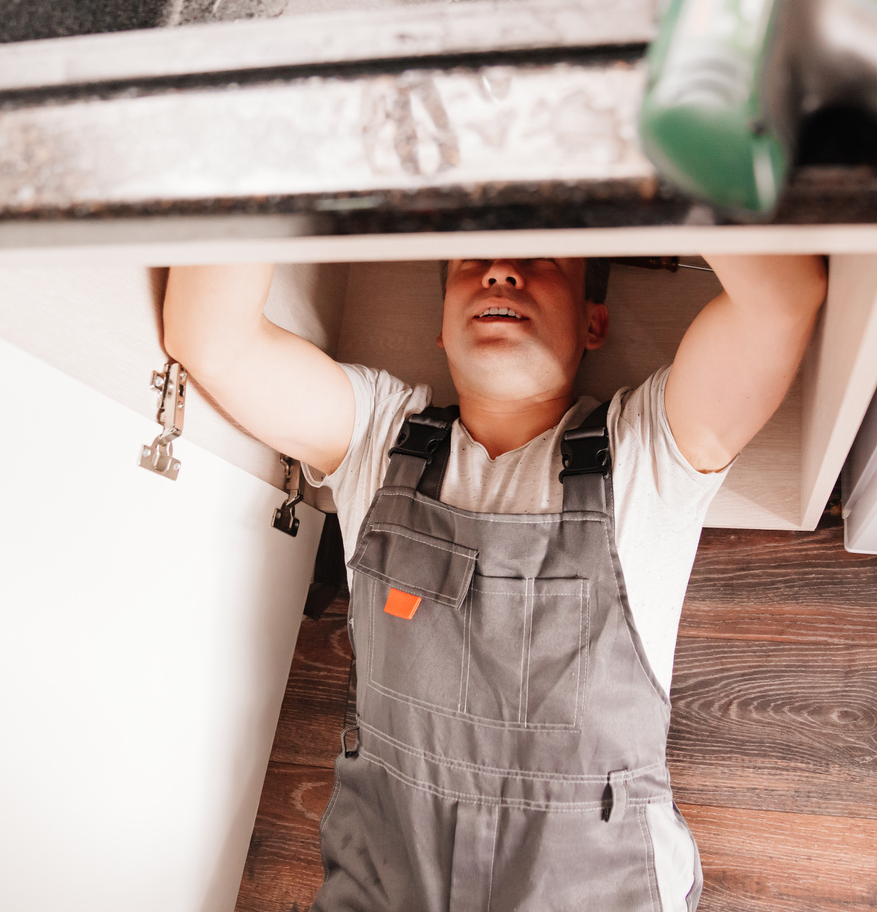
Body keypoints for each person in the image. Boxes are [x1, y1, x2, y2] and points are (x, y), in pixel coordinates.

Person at [163, 255, 826, 911]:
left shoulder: (646, 453)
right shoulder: (376, 434)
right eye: (469, 261)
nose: (500, 271)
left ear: (595, 322)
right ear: (442, 329)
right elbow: (210, 340)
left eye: (541, 261)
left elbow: (783, 298)